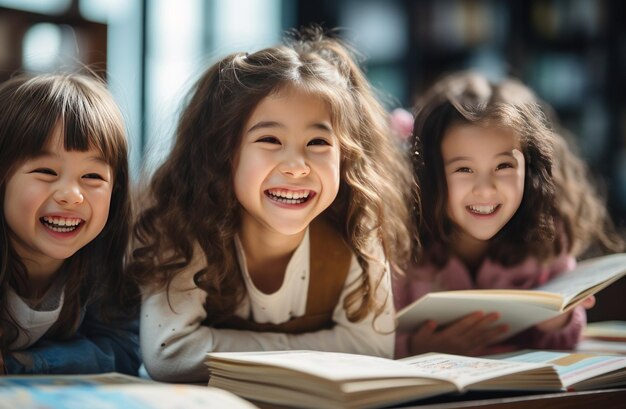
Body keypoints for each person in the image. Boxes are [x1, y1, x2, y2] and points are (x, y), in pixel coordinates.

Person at [129, 27, 414, 382]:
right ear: (223, 153)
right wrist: (320, 352)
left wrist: (221, 350)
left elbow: (371, 351)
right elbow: (169, 354)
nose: (296, 165)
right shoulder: (185, 225)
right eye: (270, 139)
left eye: (318, 142)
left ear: (346, 157)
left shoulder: (357, 227)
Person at [394, 71, 624, 358]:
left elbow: (564, 342)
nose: (486, 190)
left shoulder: (546, 233)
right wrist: (414, 348)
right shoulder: (400, 242)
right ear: (429, 175)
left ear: (530, 169)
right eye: (463, 169)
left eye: (503, 167)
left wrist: (559, 320)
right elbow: (368, 340)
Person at [0, 73, 140, 374]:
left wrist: (21, 364)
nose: (71, 195)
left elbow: (123, 350)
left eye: (92, 177)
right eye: (46, 171)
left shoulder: (104, 262)